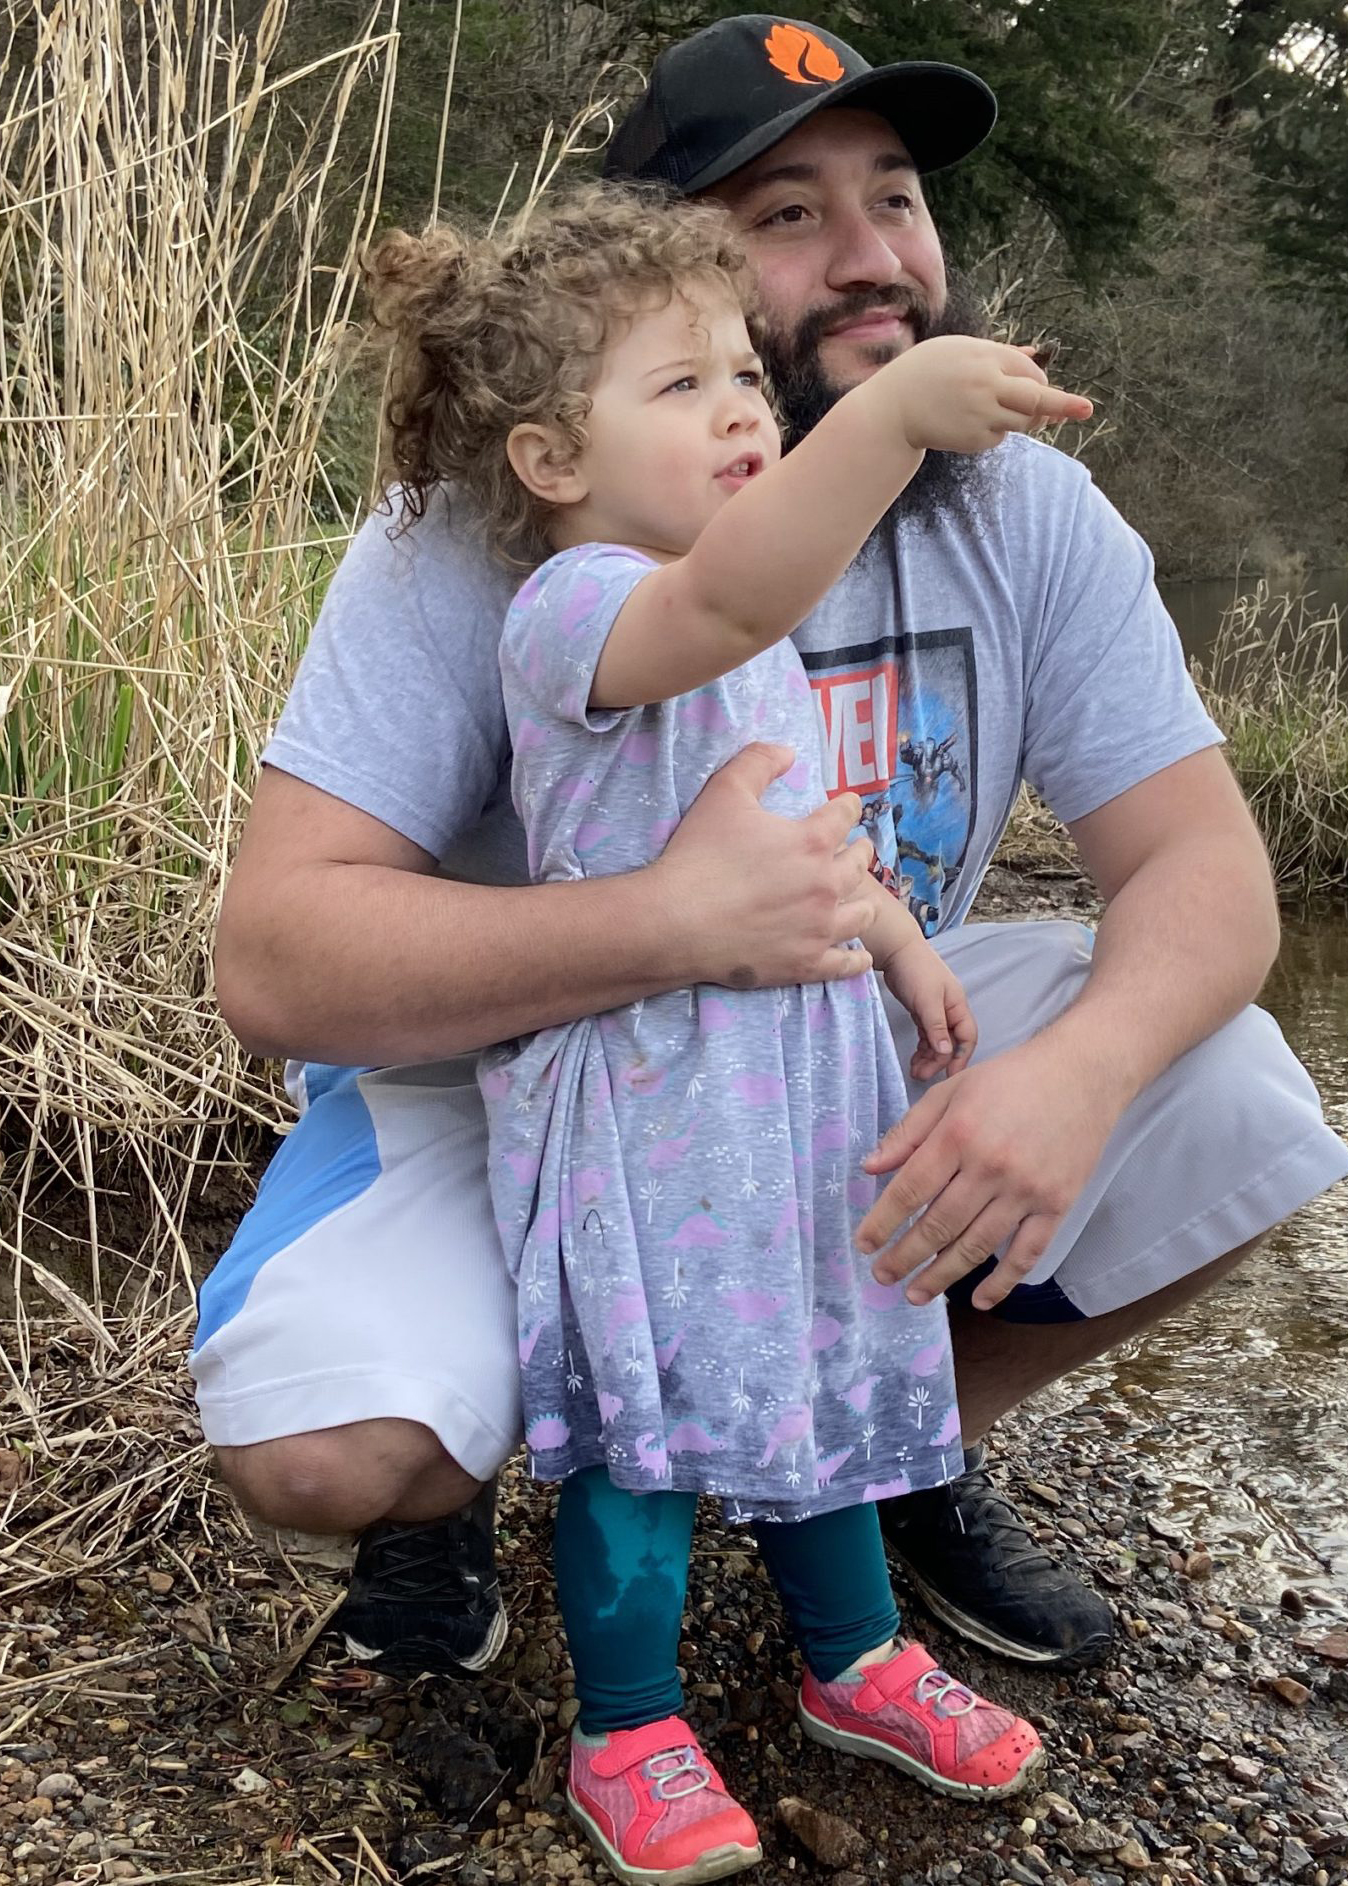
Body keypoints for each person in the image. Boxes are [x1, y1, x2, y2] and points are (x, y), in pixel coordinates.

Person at [194, 11, 1348, 1690]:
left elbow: (1211, 878)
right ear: (664, 283)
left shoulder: (1024, 508)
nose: (874, 257)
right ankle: (464, 1485)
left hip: (815, 1049)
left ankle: (875, 1459)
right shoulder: (495, 526)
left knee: (1235, 1096)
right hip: (524, 1077)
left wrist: (1077, 1075)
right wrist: (667, 922)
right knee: (334, 1443)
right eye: (790, 216)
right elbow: (278, 958)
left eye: (896, 196)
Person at [367, 183, 1083, 1878]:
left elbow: (811, 822)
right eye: (681, 386)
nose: (746, 408)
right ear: (553, 460)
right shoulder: (583, 609)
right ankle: (626, 1718)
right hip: (654, 1103)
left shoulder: (741, 612)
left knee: (827, 1363)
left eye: (745, 376)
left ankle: (854, 1659)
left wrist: (903, 943)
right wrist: (895, 416)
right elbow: (736, 606)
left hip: (797, 1097)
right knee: (652, 1414)